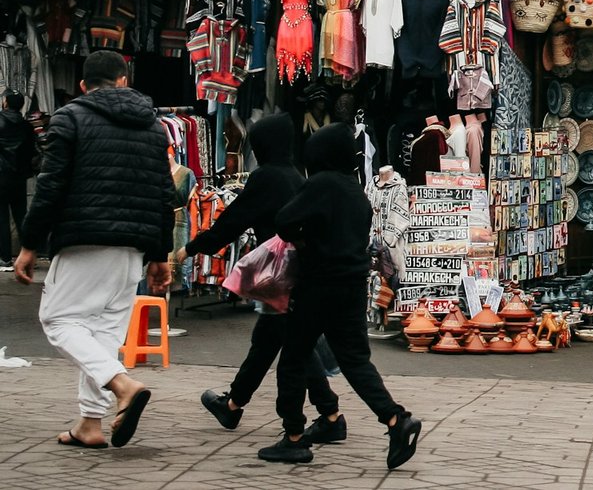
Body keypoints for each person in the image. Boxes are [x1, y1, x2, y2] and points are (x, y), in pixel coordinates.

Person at [13, 50, 175, 449]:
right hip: (131, 251)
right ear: (124, 80)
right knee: (103, 332)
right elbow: (163, 195)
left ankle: (123, 385)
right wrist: (160, 255)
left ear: (84, 85)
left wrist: (29, 245)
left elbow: (50, 186)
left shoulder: (70, 117)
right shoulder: (153, 126)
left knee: (59, 320)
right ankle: (90, 424)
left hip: (85, 239)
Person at [174, 113, 343, 438]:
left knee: (295, 347)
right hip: (295, 274)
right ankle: (233, 405)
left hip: (281, 277)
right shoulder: (295, 175)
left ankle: (331, 415)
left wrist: (190, 248)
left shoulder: (267, 177)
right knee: (266, 343)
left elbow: (231, 222)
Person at [264, 123, 421, 468]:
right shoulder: (356, 191)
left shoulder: (321, 184)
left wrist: (302, 240)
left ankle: (293, 438)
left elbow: (284, 219)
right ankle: (397, 420)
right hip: (351, 288)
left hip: (318, 286)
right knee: (354, 360)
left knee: (294, 357)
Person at [0, 91, 36, 270]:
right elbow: (32, 152)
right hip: (19, 178)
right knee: (21, 215)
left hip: (1, 175)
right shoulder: (27, 126)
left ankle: (4, 258)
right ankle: (28, 255)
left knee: (1, 217)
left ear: (5, 103)